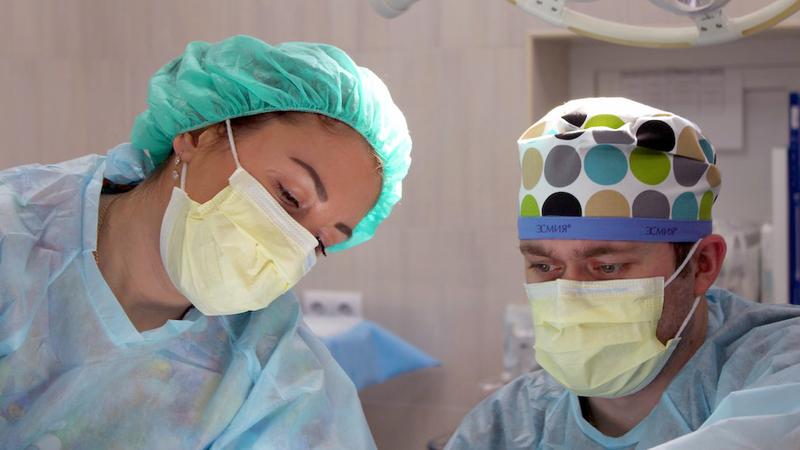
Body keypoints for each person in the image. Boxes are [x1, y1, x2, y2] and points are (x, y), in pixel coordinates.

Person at [0, 35, 411, 449]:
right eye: (290, 195)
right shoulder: (13, 237)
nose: (291, 240)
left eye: (321, 241)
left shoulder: (273, 375)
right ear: (198, 136)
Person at [446, 97, 800, 449]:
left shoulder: (781, 367)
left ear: (702, 264)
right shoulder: (509, 425)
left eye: (607, 267)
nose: (570, 296)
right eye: (545, 267)